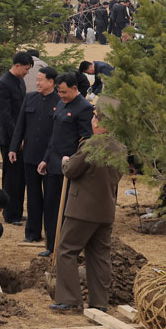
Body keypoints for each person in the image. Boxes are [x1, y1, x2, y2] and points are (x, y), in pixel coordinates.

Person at [51, 113, 126, 311]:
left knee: (66, 250)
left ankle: (70, 299)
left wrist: (66, 162)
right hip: (105, 209)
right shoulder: (121, 148)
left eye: (94, 118)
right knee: (99, 256)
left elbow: (71, 170)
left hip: (82, 210)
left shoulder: (92, 145)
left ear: (98, 122)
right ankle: (99, 303)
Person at [38, 72, 95, 257]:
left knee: (65, 209)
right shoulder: (61, 104)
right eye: (59, 92)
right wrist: (45, 159)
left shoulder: (84, 108)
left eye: (64, 92)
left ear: (75, 89)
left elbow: (86, 139)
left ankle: (64, 246)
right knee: (50, 205)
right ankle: (51, 244)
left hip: (70, 166)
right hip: (53, 163)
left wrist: (74, 162)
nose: (61, 95)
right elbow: (54, 135)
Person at [8, 66, 59, 243]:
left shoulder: (59, 102)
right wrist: (13, 148)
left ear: (51, 82)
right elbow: (20, 125)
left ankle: (51, 237)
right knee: (33, 196)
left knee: (51, 199)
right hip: (30, 155)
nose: (37, 83)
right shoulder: (30, 98)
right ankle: (32, 233)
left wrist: (48, 157)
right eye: (36, 79)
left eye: (40, 80)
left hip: (50, 159)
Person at [0, 52, 32, 225]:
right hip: (10, 138)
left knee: (20, 177)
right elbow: (5, 116)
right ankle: (10, 213)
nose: (27, 73)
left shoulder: (20, 81)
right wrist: (17, 139)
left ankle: (17, 210)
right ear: (17, 65)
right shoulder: (2, 84)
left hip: (21, 136)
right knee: (11, 177)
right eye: (26, 69)